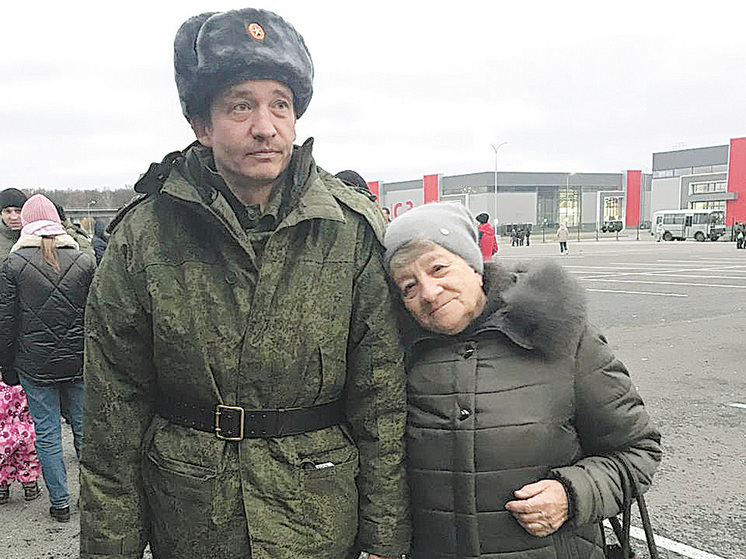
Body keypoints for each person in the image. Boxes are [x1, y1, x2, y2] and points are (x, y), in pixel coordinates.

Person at [80, 8, 408, 559]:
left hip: (316, 522)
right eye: (240, 105)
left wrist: (384, 539)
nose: (265, 126)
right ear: (202, 126)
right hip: (192, 520)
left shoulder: (349, 231)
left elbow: (382, 403)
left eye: (280, 104)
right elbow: (112, 416)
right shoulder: (144, 237)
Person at [382, 203, 661, 559]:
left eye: (438, 268)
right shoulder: (396, 360)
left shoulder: (560, 335)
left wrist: (572, 494)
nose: (429, 292)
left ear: (472, 264)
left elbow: (637, 450)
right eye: (409, 286)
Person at [0, 194, 95, 522]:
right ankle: (93, 498)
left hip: (34, 364)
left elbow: (6, 323)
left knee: (47, 433)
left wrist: (7, 367)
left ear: (26, 223)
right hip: (78, 361)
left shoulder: (12, 265)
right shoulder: (84, 261)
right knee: (84, 430)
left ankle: (60, 503)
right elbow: (96, 316)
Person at [1, 188, 27, 259]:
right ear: (1, 214)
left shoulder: (38, 237)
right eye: (8, 211)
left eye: (18, 211)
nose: (14, 217)